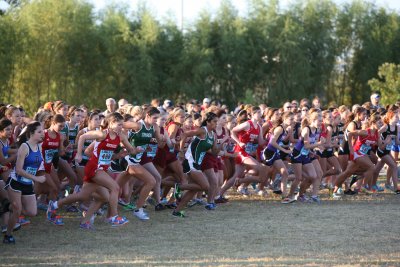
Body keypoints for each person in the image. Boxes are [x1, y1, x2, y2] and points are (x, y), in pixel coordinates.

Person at [47, 113, 139, 228]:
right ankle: (113, 217)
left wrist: (135, 150)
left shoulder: (121, 136)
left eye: (122, 125)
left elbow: (131, 150)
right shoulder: (101, 134)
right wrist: (79, 154)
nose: (122, 127)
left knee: (90, 196)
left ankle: (58, 207)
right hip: (94, 168)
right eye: (119, 125)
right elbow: (82, 137)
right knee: (115, 187)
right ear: (111, 124)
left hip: (102, 169)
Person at [4, 122, 46, 243]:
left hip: (28, 183)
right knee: (17, 211)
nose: (42, 134)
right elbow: (18, 170)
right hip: (16, 182)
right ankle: (8, 235)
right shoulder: (24, 147)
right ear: (31, 133)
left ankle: (8, 206)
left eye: (42, 131)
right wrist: (37, 179)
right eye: (39, 132)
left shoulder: (39, 146)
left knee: (32, 212)